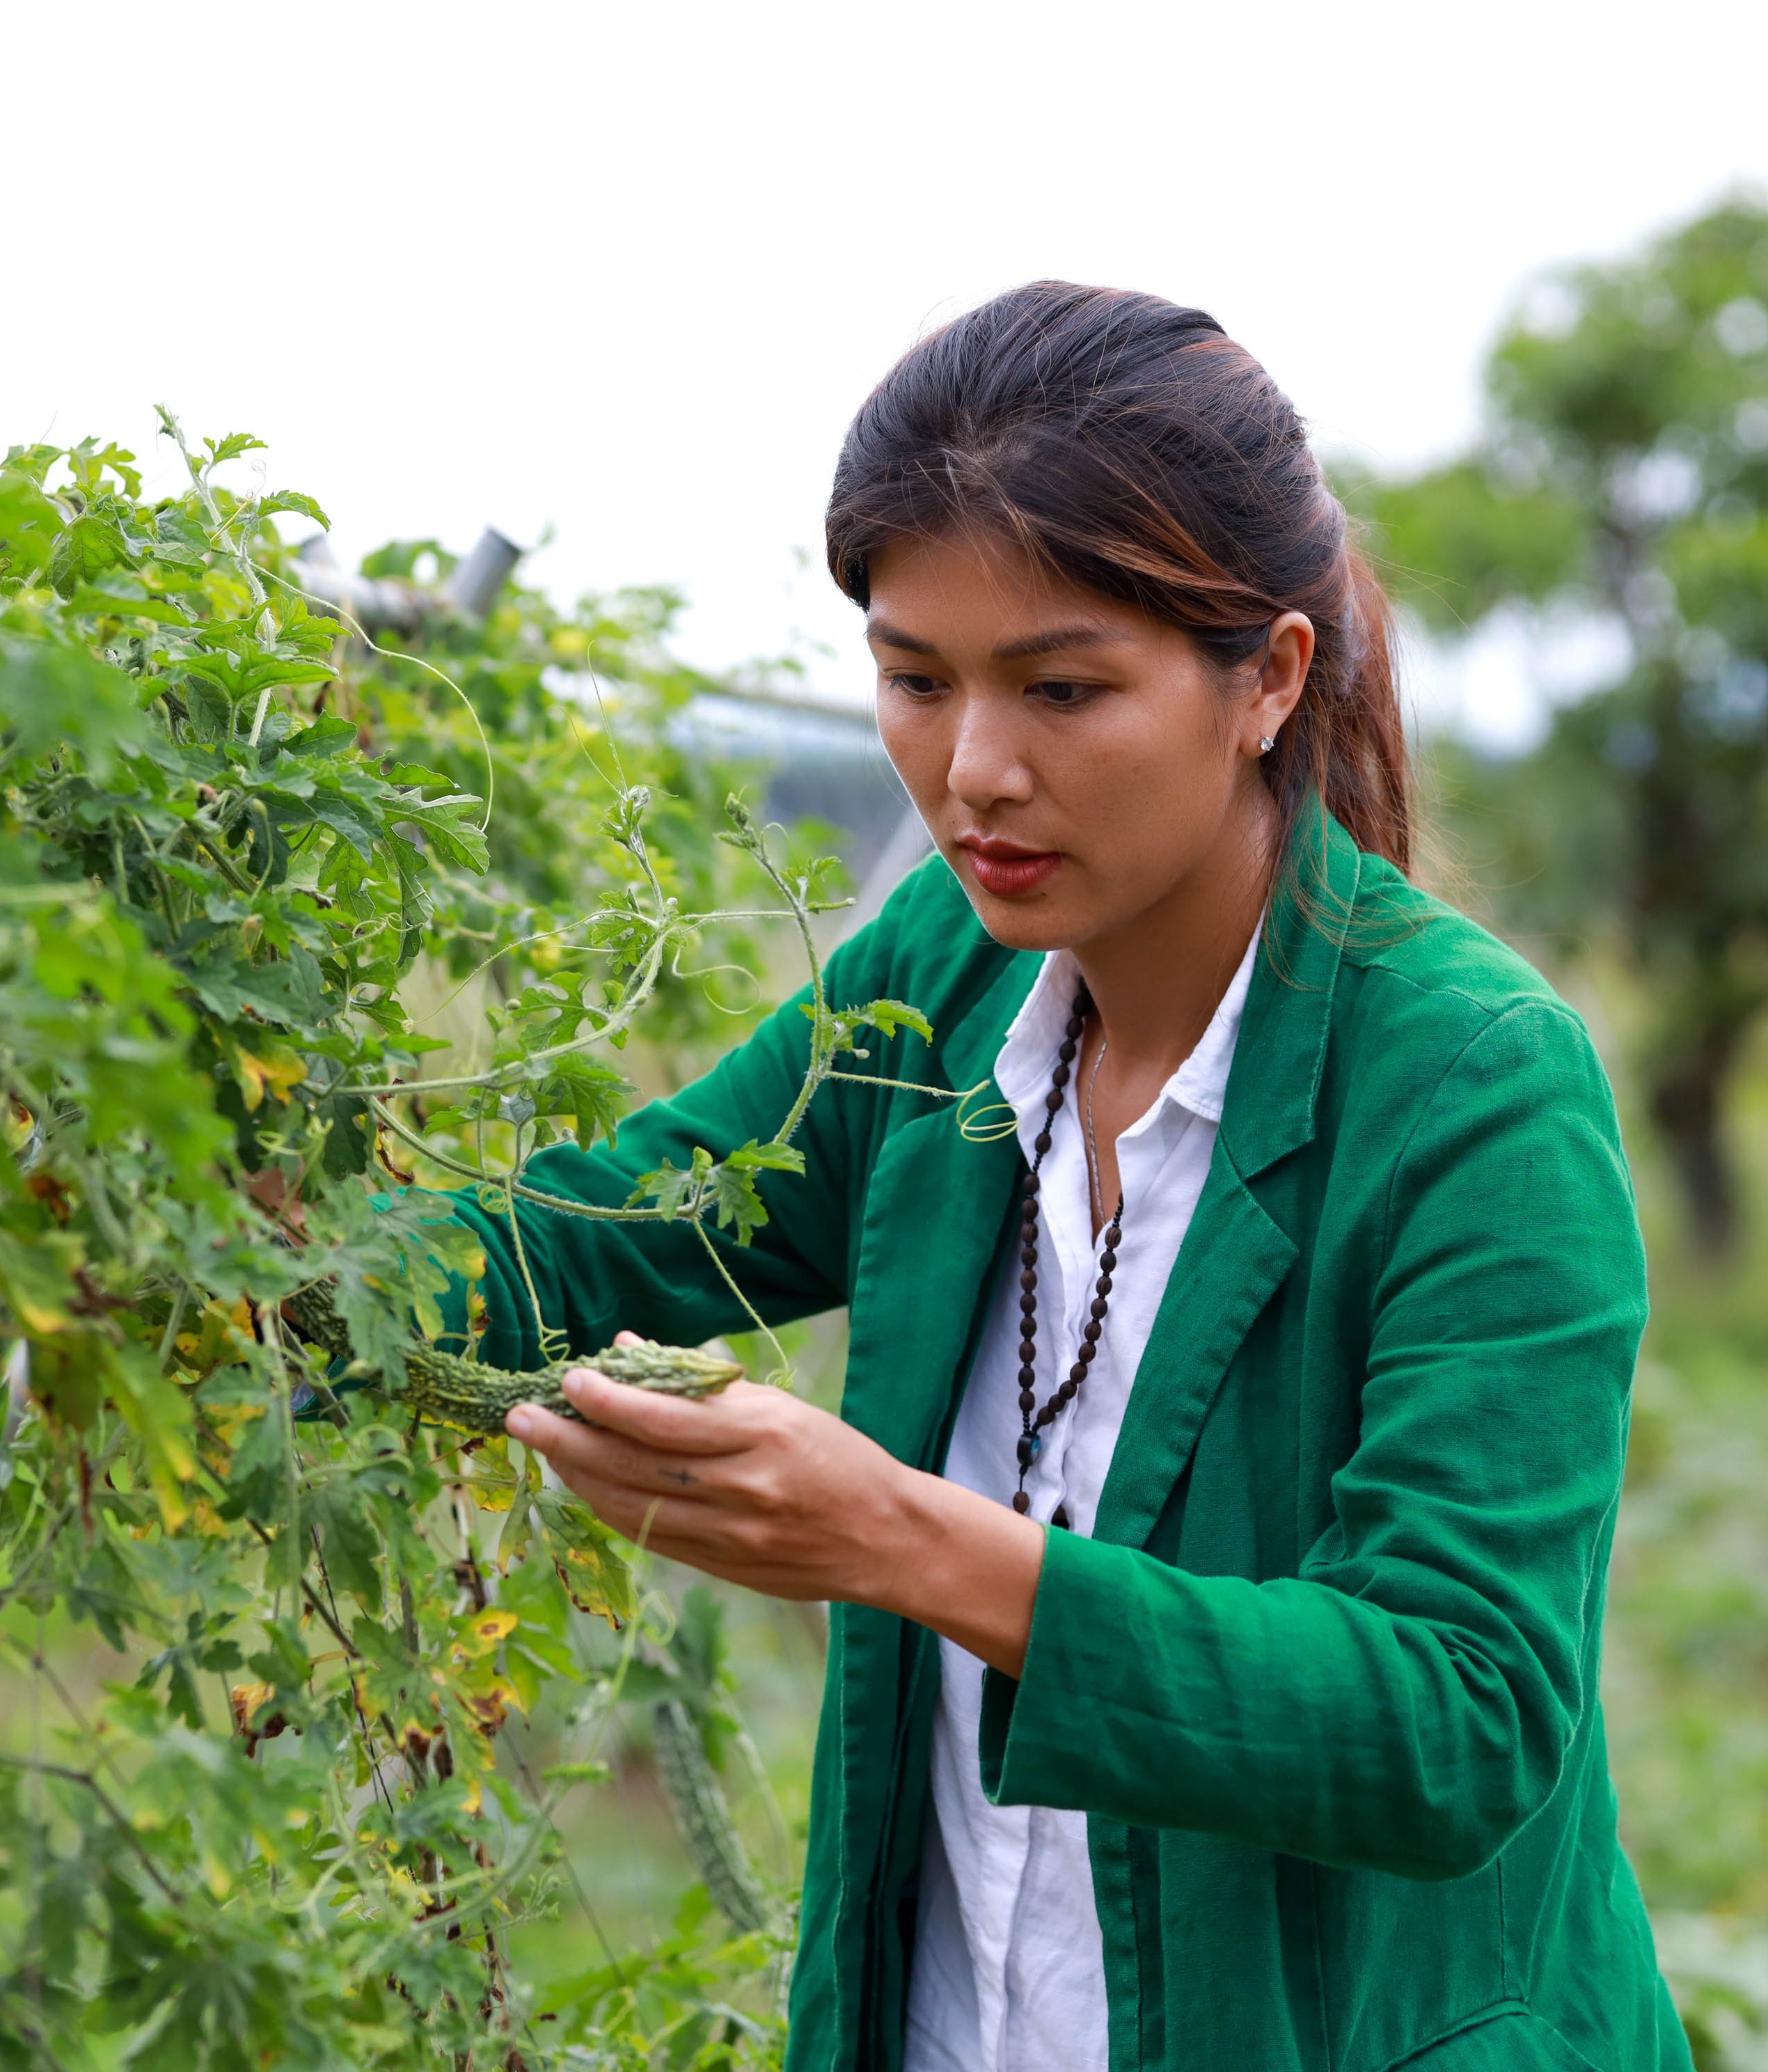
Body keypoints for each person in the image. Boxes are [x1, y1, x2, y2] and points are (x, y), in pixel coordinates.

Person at [449, 281, 1687, 2071]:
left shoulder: (1473, 1086)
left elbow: (1461, 1716)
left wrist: (910, 1543)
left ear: (1266, 677)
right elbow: (583, 1249)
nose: (974, 774)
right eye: (913, 679)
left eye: (1064, 687)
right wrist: (187, 1249)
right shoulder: (933, 997)